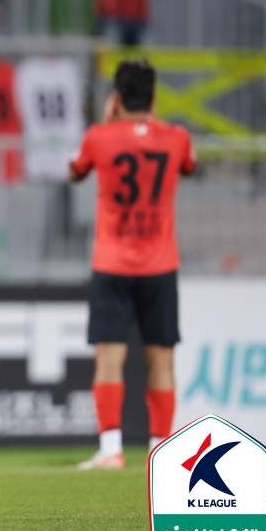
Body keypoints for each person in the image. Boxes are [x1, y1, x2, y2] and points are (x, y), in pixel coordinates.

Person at [69, 59, 195, 470]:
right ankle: (162, 452)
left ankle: (111, 451)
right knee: (162, 360)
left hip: (112, 264)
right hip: (161, 264)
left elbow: (74, 171)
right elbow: (191, 168)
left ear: (116, 100)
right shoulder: (176, 138)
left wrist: (108, 124)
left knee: (109, 357)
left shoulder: (98, 138)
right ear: (154, 99)